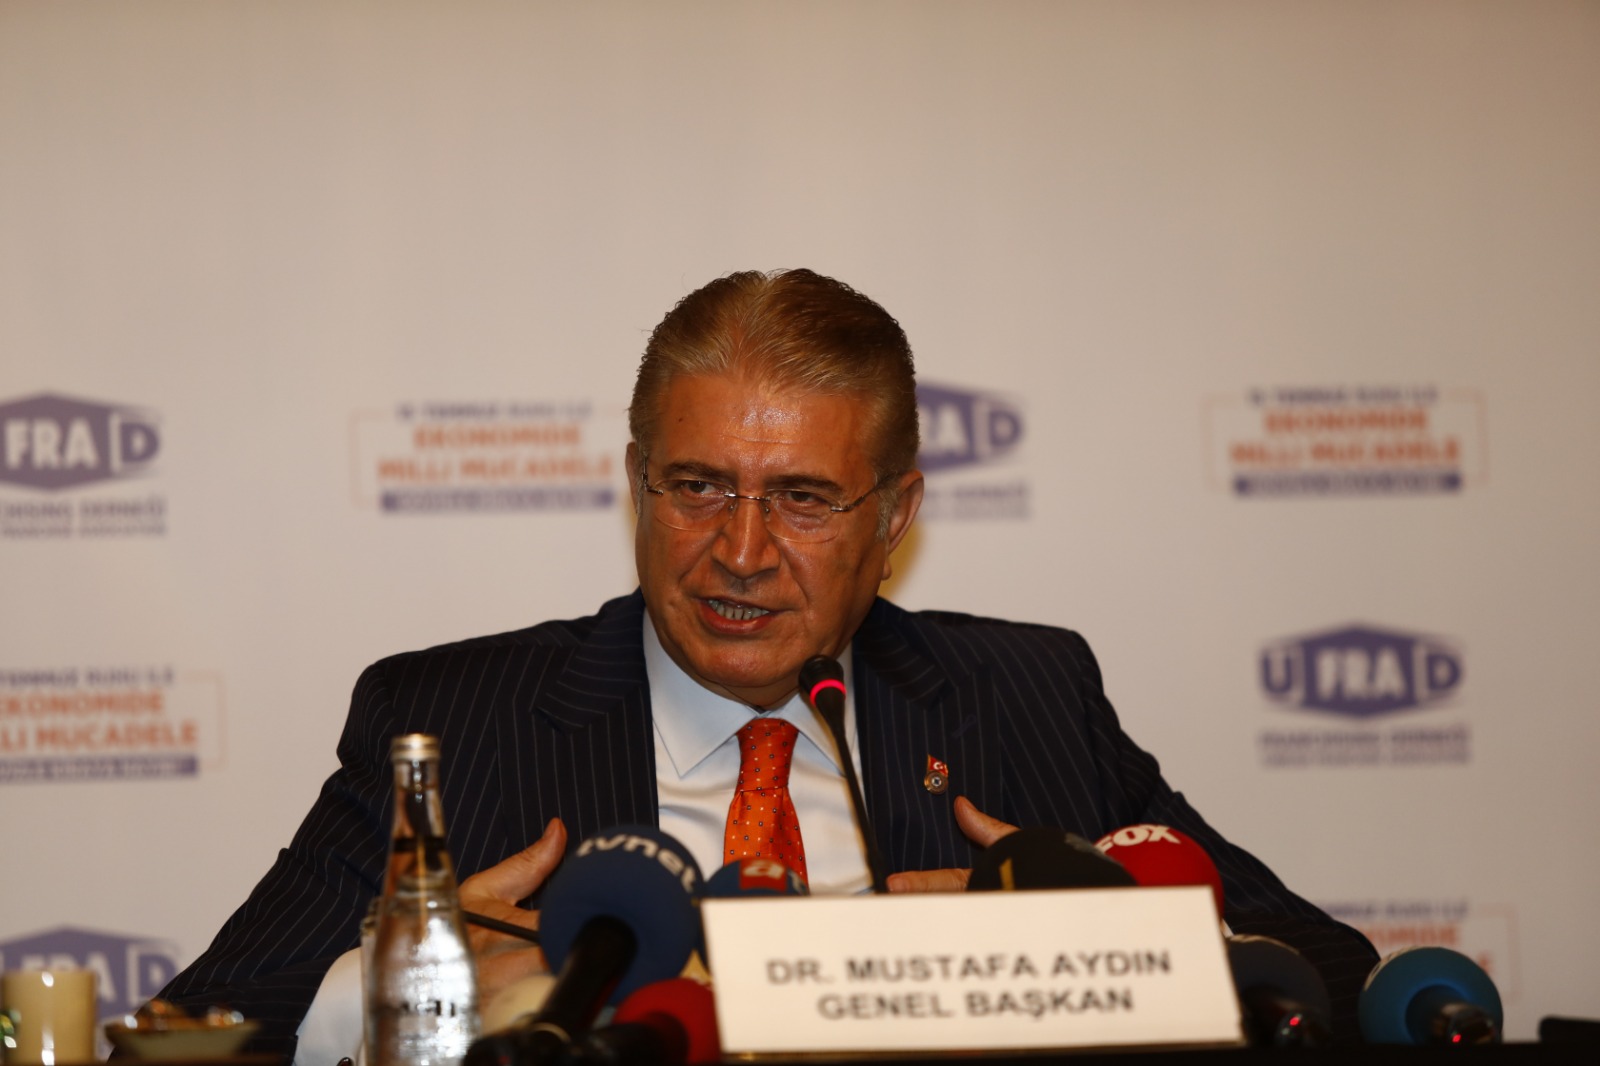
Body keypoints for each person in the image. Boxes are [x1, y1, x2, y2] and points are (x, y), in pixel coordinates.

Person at [159, 269, 1377, 1054]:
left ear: (893, 518)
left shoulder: (1021, 698)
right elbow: (190, 1029)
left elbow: (1329, 972)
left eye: (801, 498)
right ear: (635, 482)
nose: (738, 553)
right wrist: (401, 986)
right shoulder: (459, 720)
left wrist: (1092, 954)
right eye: (696, 486)